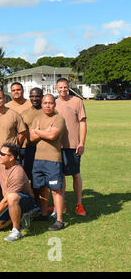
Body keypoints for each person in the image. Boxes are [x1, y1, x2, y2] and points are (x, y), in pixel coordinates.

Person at [30, 94, 66, 231]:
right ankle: (44, 214)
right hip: (38, 159)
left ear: (54, 104)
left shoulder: (59, 119)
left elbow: (52, 136)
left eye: (50, 103)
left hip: (53, 160)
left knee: (56, 190)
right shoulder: (37, 118)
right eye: (45, 103)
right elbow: (32, 138)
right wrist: (44, 131)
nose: (47, 105)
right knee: (41, 188)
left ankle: (59, 220)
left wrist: (38, 131)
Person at [0, 90, 27, 207]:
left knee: (12, 186)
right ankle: (0, 208)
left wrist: (14, 148)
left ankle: (15, 208)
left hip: (10, 159)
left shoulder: (14, 114)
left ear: (4, 99)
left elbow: (22, 132)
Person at [0, 143, 35, 242]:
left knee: (12, 197)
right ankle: (20, 217)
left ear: (11, 158)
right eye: (0, 152)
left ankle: (16, 231)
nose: (0, 155)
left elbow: (7, 199)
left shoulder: (18, 172)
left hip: (25, 201)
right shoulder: (0, 164)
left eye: (3, 154)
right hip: (10, 202)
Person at [55, 78, 87, 216]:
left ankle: (79, 204)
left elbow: (83, 123)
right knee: (60, 175)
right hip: (56, 146)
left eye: (65, 87)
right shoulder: (53, 102)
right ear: (56, 88)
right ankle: (61, 205)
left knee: (75, 174)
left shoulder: (77, 101)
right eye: (60, 87)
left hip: (73, 145)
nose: (63, 90)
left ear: (69, 87)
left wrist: (82, 143)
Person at [20, 88, 44, 207]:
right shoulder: (24, 113)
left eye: (37, 96)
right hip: (28, 149)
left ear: (42, 96)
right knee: (27, 177)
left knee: (39, 179)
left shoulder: (47, 111)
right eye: (32, 96)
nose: (35, 99)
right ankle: (29, 203)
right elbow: (21, 132)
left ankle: (39, 204)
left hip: (44, 150)